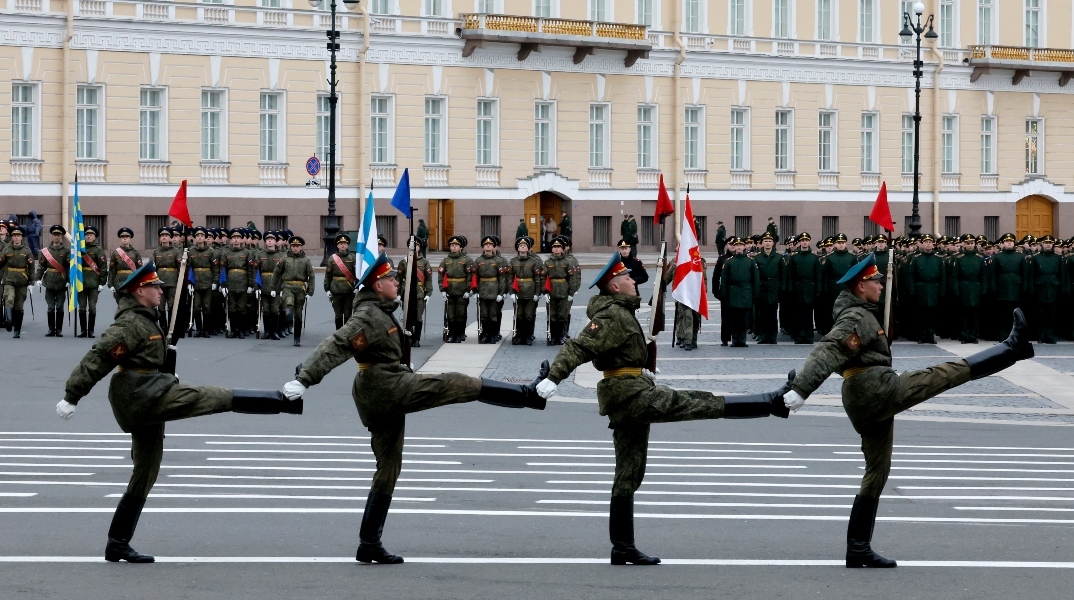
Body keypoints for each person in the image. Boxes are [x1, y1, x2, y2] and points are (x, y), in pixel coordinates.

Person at [279, 253, 548, 564]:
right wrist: (304, 379)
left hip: (381, 388)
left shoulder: (380, 310)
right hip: (386, 388)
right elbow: (336, 345)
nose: (396, 282)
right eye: (391, 279)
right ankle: (528, 395)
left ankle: (369, 543)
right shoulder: (368, 316)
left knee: (389, 466)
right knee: (457, 383)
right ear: (377, 285)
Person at [535, 252, 792, 565]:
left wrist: (665, 283)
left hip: (629, 392)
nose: (633, 280)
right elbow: (578, 347)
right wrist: (553, 378)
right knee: (698, 402)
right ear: (614, 287)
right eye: (627, 277)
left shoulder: (621, 311)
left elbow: (628, 340)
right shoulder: (612, 316)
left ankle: (622, 547)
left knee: (629, 472)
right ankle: (770, 402)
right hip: (631, 398)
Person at [783, 254, 1035, 568]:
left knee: (877, 472)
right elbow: (829, 350)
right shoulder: (856, 317)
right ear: (861, 286)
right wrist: (802, 389)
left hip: (866, 395)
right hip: (876, 391)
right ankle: (1013, 348)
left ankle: (858, 548)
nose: (880, 285)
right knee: (944, 373)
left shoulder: (858, 313)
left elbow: (841, 355)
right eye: (876, 281)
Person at [56, 261, 303, 563]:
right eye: (154, 286)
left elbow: (149, 355)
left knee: (146, 470)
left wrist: (165, 363)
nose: (160, 290)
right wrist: (72, 396)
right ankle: (283, 401)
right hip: (142, 396)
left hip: (149, 390)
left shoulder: (146, 318)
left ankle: (117, 543)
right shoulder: (130, 324)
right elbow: (98, 358)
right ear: (139, 291)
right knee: (211, 397)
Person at [273, 236, 315, 347]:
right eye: (293, 246)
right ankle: (288, 317)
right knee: (289, 302)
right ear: (290, 247)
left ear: (301, 247)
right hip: (287, 286)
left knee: (298, 315)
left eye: (297, 246)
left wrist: (310, 292)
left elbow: (311, 277)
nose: (295, 248)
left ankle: (297, 338)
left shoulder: (306, 260)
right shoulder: (285, 259)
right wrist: (273, 288)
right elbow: (276, 273)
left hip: (300, 288)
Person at [951, 234, 990, 344]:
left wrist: (984, 289)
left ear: (975, 244)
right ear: (963, 244)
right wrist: (956, 290)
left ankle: (973, 335)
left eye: (972, 243)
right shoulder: (959, 258)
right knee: (964, 314)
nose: (970, 245)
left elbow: (984, 275)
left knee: (975, 314)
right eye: (967, 243)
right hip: (963, 287)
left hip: (976, 287)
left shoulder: (980, 257)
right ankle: (965, 335)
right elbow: (955, 276)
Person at [719, 237, 758, 348]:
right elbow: (724, 279)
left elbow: (755, 279)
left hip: (746, 292)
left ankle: (742, 340)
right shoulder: (729, 262)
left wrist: (755, 294)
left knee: (744, 318)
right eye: (737, 245)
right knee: (734, 318)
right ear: (734, 247)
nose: (739, 247)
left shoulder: (750, 261)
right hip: (733, 292)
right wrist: (724, 294)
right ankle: (735, 339)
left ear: (744, 247)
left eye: (741, 245)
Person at [907, 233, 945, 344]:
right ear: (922, 244)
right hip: (921, 289)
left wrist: (942, 291)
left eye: (930, 242)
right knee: (921, 313)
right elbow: (911, 275)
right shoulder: (916, 258)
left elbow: (943, 277)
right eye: (926, 242)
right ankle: (922, 335)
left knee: (932, 313)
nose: (928, 244)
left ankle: (930, 335)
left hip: (934, 288)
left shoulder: (939, 259)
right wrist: (912, 290)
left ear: (933, 244)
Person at [784, 233, 820, 344]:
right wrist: (790, 289)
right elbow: (790, 275)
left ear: (809, 242)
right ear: (800, 242)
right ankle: (799, 335)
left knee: (808, 313)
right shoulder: (794, 257)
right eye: (802, 240)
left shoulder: (814, 258)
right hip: (798, 287)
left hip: (810, 287)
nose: (804, 242)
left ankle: (808, 336)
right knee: (798, 313)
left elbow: (818, 275)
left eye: (806, 240)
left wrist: (818, 290)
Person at [396, 238, 432, 347]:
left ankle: (417, 338)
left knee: (418, 317)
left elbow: (428, 279)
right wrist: (398, 294)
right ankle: (409, 337)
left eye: (416, 245)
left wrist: (428, 293)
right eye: (412, 245)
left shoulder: (424, 262)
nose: (414, 247)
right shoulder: (404, 261)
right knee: (407, 315)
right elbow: (398, 278)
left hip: (419, 292)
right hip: (406, 292)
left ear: (419, 247)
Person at [438, 235, 474, 343]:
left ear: (461, 247)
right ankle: (451, 335)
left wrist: (468, 290)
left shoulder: (466, 260)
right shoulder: (446, 260)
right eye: (452, 245)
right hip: (450, 290)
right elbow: (441, 275)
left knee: (460, 314)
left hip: (462, 290)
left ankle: (459, 334)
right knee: (451, 314)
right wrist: (442, 290)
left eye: (456, 245)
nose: (454, 247)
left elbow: (470, 276)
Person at [1027, 234, 1063, 344]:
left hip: (1053, 287)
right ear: (1042, 244)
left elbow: (1062, 275)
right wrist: (1031, 288)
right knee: (1040, 314)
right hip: (1040, 287)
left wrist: (1062, 288)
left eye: (1050, 243)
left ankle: (1050, 335)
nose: (1048, 245)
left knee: (1052, 314)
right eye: (1046, 243)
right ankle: (1041, 335)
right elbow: (1032, 275)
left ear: (1052, 244)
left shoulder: (1058, 258)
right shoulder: (1036, 258)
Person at [0, 226, 35, 338]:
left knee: (19, 305)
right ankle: (9, 320)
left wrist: (32, 282)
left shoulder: (26, 251)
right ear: (12, 237)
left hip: (22, 279)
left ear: (21, 238)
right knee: (9, 298)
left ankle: (17, 329)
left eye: (18, 236)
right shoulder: (7, 249)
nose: (16, 238)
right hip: (9, 278)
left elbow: (31, 267)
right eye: (14, 236)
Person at [220, 228, 256, 339]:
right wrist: (223, 285)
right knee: (232, 308)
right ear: (231, 240)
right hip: (230, 283)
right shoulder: (226, 253)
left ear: (241, 240)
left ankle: (241, 330)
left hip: (243, 283)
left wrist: (251, 285)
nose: (236, 240)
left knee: (241, 308)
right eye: (234, 238)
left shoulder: (247, 253)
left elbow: (250, 270)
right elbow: (223, 270)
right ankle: (233, 330)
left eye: (238, 238)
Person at [36, 224, 70, 337]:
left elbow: (69, 267)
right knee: (50, 307)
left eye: (58, 235)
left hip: (61, 281)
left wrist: (69, 280)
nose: (56, 237)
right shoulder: (46, 251)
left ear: (61, 236)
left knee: (60, 306)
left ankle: (59, 329)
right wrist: (38, 278)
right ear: (52, 235)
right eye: (55, 234)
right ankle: (51, 329)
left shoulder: (66, 251)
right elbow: (41, 266)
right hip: (49, 281)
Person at [509, 236, 544, 346]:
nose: (523, 247)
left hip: (530, 291)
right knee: (519, 315)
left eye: (525, 245)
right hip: (518, 291)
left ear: (528, 248)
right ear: (518, 248)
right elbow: (510, 278)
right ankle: (519, 336)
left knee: (528, 315)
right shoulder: (513, 261)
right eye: (521, 245)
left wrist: (537, 293)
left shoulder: (534, 262)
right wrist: (511, 293)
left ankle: (528, 336)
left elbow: (537, 279)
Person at [475, 235, 509, 344]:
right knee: (484, 314)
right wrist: (475, 290)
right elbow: (475, 277)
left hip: (494, 289)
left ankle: (493, 334)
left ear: (494, 247)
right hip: (483, 289)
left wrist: (501, 293)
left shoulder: (498, 260)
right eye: (486, 244)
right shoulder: (478, 260)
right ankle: (485, 334)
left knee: (493, 314)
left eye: (490, 244)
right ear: (483, 247)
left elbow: (502, 278)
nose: (488, 246)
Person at [543, 237, 576, 345]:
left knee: (562, 315)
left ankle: (560, 336)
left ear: (562, 249)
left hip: (563, 291)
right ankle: (552, 337)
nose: (556, 249)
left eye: (558, 247)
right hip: (551, 290)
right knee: (552, 315)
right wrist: (545, 292)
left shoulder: (567, 262)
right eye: (554, 247)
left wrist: (571, 293)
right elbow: (543, 278)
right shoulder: (547, 262)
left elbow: (572, 278)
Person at [187, 227, 219, 338]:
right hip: (195, 281)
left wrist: (215, 281)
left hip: (207, 281)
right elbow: (188, 268)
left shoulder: (211, 251)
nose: (200, 238)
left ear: (205, 237)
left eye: (202, 236)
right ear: (195, 238)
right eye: (198, 236)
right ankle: (199, 329)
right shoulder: (191, 251)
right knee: (196, 306)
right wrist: (189, 283)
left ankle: (206, 329)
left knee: (207, 306)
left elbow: (215, 268)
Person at [78, 225, 109, 338]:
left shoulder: (98, 250)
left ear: (95, 237)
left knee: (92, 307)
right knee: (82, 307)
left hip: (93, 282)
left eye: (91, 235)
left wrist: (102, 283)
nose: (88, 236)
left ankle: (90, 330)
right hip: (81, 281)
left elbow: (103, 267)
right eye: (87, 235)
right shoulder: (79, 248)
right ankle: (83, 330)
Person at [752, 231, 782, 344]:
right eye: (765, 241)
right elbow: (755, 275)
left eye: (770, 241)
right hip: (762, 288)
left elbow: (783, 274)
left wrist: (782, 289)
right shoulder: (757, 258)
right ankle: (763, 336)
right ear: (762, 243)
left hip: (774, 288)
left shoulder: (778, 258)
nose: (768, 243)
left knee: (773, 314)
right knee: (762, 314)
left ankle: (772, 337)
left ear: (773, 243)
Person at [325, 233, 358, 331]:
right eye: (340, 244)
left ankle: (346, 334)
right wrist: (327, 289)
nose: (343, 245)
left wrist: (357, 287)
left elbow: (357, 274)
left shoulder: (352, 258)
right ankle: (338, 333)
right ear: (337, 245)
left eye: (344, 243)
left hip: (349, 290)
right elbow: (328, 275)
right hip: (336, 289)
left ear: (347, 245)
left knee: (348, 315)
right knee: (338, 315)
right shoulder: (332, 258)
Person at [152, 227, 180, 332]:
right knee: (161, 306)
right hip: (159, 283)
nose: (164, 237)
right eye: (162, 236)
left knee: (172, 305)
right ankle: (163, 327)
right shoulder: (155, 252)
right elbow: (152, 267)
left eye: (166, 236)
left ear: (170, 238)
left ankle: (171, 327)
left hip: (172, 282)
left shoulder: (175, 251)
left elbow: (180, 268)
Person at [259, 232, 284, 340]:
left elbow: (283, 273)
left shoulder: (281, 256)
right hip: (264, 283)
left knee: (275, 309)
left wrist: (282, 287)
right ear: (265, 242)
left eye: (272, 239)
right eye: (267, 239)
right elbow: (256, 272)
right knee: (265, 309)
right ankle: (267, 332)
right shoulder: (260, 255)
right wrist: (256, 287)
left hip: (276, 284)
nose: (269, 241)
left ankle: (274, 332)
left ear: (275, 242)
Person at [108, 228, 143, 297]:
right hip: (118, 282)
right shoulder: (115, 253)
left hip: (131, 282)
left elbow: (139, 269)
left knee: (131, 302)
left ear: (130, 238)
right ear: (120, 239)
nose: (125, 238)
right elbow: (112, 270)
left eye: (127, 237)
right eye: (123, 237)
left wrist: (140, 283)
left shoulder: (135, 253)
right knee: (120, 302)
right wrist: (110, 285)